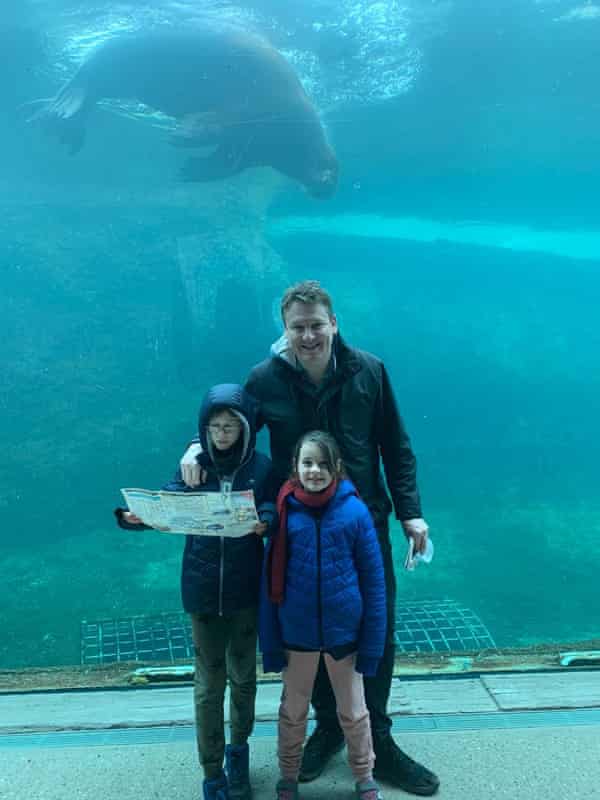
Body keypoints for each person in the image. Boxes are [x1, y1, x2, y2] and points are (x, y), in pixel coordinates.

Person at [180, 281, 440, 796]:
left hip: (361, 523)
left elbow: (397, 447)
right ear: (285, 330)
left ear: (334, 323)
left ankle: (378, 739)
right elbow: (227, 424)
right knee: (309, 630)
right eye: (297, 327)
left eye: (316, 324)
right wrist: (194, 446)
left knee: (375, 626)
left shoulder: (369, 370)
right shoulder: (264, 379)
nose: (308, 335)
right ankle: (329, 725)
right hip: (293, 528)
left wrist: (411, 513)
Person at [116, 384, 277, 800]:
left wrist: (266, 519)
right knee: (209, 684)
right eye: (215, 427)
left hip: (245, 589)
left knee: (243, 678)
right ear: (203, 429)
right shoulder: (193, 467)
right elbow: (167, 504)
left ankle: (238, 753)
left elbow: (275, 504)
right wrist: (138, 517)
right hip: (202, 590)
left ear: (244, 428)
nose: (222, 434)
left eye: (230, 427)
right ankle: (212, 771)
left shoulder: (261, 466)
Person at [260, 430, 387, 800]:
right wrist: (269, 642)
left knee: (354, 711)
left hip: (344, 635)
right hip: (295, 634)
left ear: (338, 468)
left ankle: (365, 777)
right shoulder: (284, 512)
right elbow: (270, 581)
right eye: (308, 463)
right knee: (293, 710)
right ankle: (288, 775)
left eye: (323, 464)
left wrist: (372, 643)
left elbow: (374, 583)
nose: (315, 471)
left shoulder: (354, 512)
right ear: (295, 467)